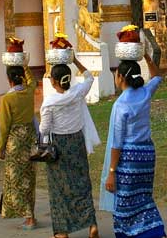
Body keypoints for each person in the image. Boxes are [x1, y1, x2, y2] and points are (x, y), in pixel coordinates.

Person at [100, 51, 166, 238]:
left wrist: (111, 172)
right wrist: (146, 57)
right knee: (144, 199)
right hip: (146, 155)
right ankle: (156, 232)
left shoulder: (120, 104)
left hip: (129, 160)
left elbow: (117, 143)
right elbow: (157, 77)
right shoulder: (145, 93)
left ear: (121, 77)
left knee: (125, 205)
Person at [39, 59, 101, 238]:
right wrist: (75, 60)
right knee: (82, 183)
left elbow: (44, 129)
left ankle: (62, 231)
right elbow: (89, 77)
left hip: (59, 147)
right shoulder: (77, 93)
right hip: (77, 142)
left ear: (53, 81)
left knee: (59, 188)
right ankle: (91, 224)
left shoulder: (50, 103)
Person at [0, 65, 37, 229]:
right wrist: (25, 65)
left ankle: (29, 218)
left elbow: (4, 126)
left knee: (17, 180)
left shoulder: (7, 99)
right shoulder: (29, 92)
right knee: (29, 178)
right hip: (30, 140)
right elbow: (32, 81)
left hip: (15, 142)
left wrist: (1, 147)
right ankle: (31, 215)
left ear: (9, 80)